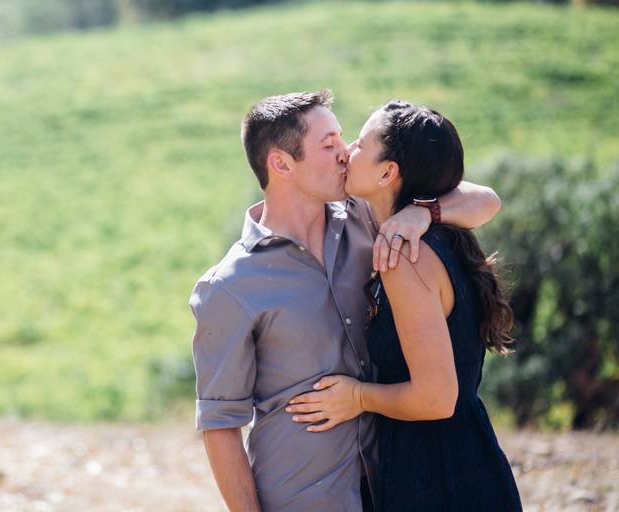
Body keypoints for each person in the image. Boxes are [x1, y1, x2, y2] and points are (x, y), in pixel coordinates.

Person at [190, 91, 502, 511]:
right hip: (304, 499)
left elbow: (486, 200)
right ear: (281, 164)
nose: (345, 153)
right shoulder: (229, 286)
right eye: (329, 144)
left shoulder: (368, 219)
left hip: (396, 487)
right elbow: (220, 426)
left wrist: (423, 212)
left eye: (343, 138)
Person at [285, 100, 522, 510]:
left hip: (434, 476)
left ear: (388, 172)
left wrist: (357, 397)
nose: (347, 150)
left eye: (360, 144)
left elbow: (436, 398)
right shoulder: (436, 232)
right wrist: (425, 211)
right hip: (469, 457)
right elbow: (485, 199)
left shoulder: (404, 257)